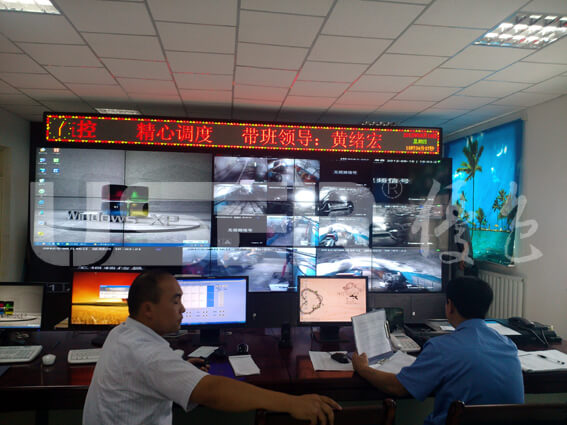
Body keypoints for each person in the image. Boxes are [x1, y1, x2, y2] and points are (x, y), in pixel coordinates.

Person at [83, 270, 340, 425]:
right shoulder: (149, 356)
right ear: (148, 309)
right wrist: (291, 404)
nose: (183, 309)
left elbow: (148, 372)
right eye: (175, 301)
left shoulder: (122, 333)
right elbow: (213, 392)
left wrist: (179, 369)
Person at [352, 276, 524, 425]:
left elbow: (398, 387)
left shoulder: (442, 347)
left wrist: (363, 368)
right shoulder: (508, 345)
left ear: (450, 306)